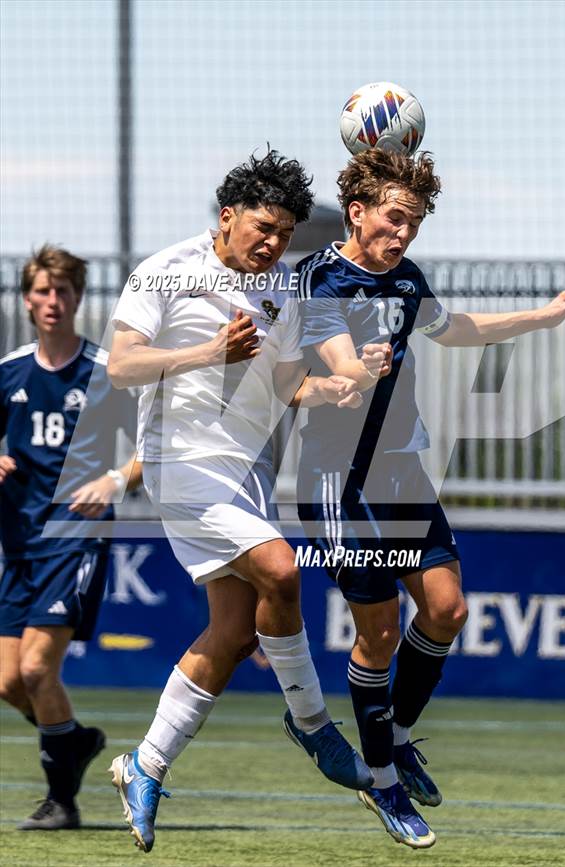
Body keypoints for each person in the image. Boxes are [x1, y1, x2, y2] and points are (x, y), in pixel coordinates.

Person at [296, 148, 565, 849]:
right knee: (376, 634)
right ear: (358, 212)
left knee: (447, 607)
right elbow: (340, 360)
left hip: (402, 470)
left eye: (415, 220)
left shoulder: (407, 279)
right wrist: (355, 369)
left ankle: (396, 736)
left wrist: (544, 317)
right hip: (341, 482)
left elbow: (454, 328)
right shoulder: (319, 279)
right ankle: (381, 782)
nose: (403, 232)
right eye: (394, 217)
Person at [107, 150, 373, 854]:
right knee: (281, 571)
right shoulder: (167, 270)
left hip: (245, 470)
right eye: (262, 226)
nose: (273, 242)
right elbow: (120, 364)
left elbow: (289, 386)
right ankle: (313, 724)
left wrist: (335, 388)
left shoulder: (284, 289)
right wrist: (206, 355)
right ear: (226, 217)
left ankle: (146, 764)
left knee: (232, 633)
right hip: (178, 465)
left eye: (285, 231)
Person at [0, 244, 141, 830]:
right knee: (8, 681)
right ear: (27, 299)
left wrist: (113, 480)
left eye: (63, 291)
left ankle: (62, 801)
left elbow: (153, 450)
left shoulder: (106, 372)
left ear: (79, 298)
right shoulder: (9, 372)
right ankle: (74, 742)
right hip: (19, 543)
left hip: (75, 539)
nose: (52, 301)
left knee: (37, 671)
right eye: (42, 291)